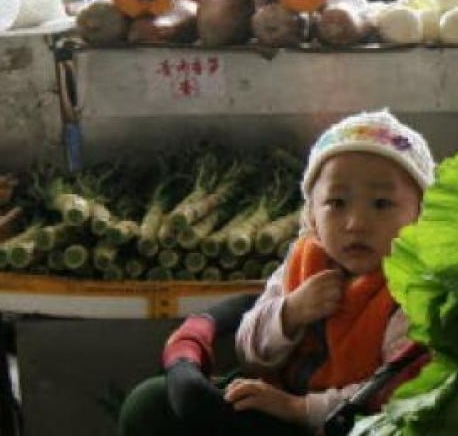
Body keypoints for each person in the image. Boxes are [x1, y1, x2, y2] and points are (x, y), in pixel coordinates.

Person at [118, 110, 435, 435]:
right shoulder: (302, 263)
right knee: (149, 403)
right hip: (278, 397)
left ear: (421, 215)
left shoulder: (412, 293)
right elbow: (249, 352)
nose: (355, 223)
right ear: (311, 214)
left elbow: (396, 395)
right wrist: (290, 313)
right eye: (337, 203)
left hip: (349, 422)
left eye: (381, 204)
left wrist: (298, 409)